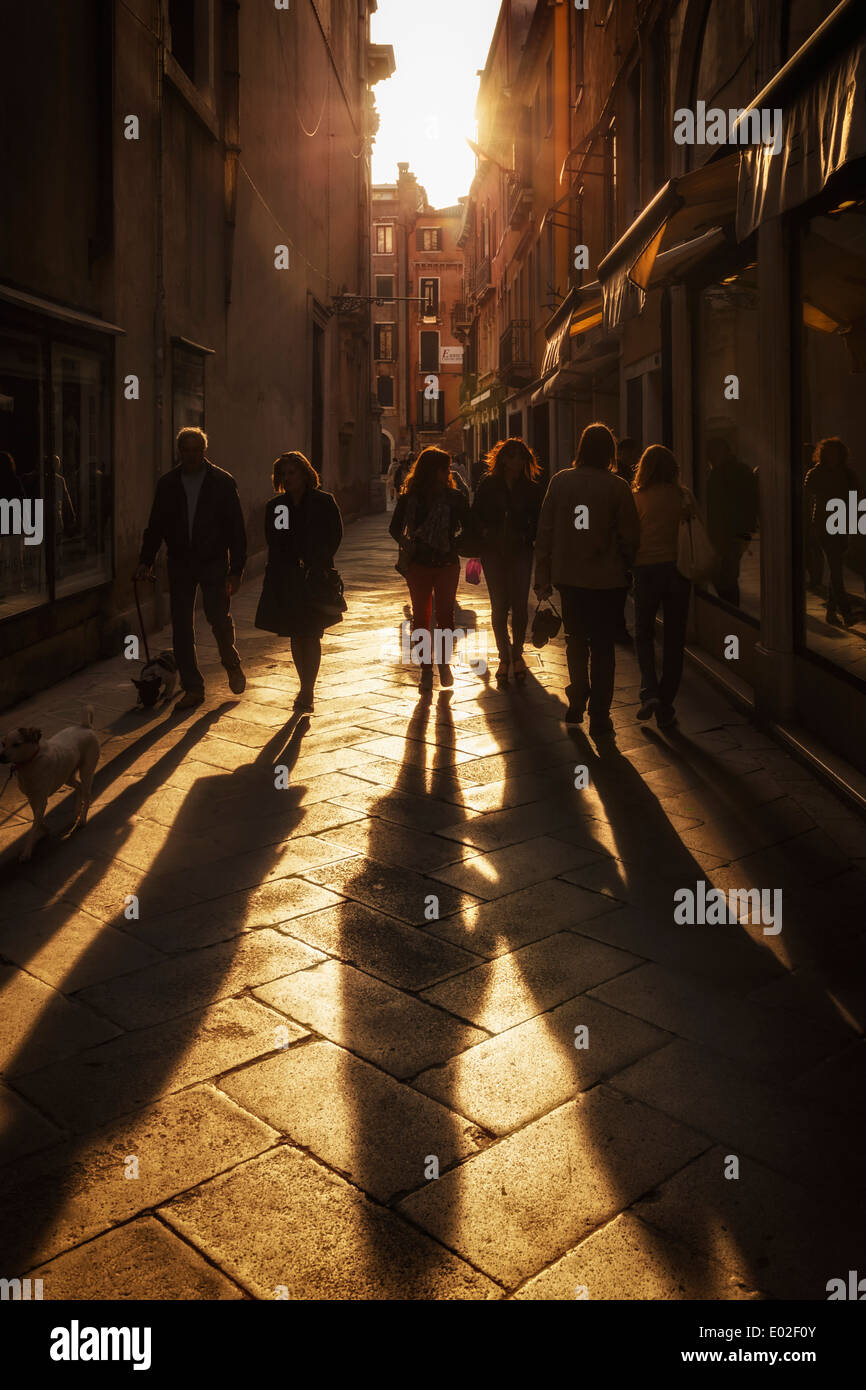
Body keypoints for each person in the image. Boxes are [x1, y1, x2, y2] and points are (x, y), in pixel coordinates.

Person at [534, 422, 640, 738]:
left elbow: (545, 531)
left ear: (580, 448)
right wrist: (627, 565)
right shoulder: (618, 486)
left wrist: (543, 574)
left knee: (576, 640)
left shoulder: (561, 482)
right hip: (609, 580)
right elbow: (631, 536)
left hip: (570, 577)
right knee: (604, 646)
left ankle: (578, 695)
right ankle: (601, 715)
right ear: (610, 452)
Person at [134, 426, 247, 709]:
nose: (192, 456)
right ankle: (193, 687)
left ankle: (230, 661)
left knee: (218, 617)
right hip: (180, 562)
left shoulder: (222, 482)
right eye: (186, 450)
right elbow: (156, 524)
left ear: (204, 451)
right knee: (181, 627)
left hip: (213, 561)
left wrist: (236, 570)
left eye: (197, 450)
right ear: (180, 452)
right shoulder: (168, 484)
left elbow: (236, 529)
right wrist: (145, 560)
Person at [254, 451, 343, 713]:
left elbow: (334, 536)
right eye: (283, 474)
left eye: (292, 472)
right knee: (296, 633)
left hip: (315, 577)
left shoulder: (323, 502)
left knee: (312, 633)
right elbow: (278, 539)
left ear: (304, 473)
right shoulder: (278, 507)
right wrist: (291, 562)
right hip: (289, 577)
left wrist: (316, 560)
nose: (288, 478)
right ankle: (305, 686)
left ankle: (307, 690)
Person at [389, 445, 471, 691]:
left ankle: (444, 664)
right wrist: (407, 542)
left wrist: (454, 542)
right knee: (421, 617)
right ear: (432, 470)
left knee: (446, 615)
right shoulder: (410, 498)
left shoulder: (454, 497)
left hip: (447, 562)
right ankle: (426, 667)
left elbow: (469, 525)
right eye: (444, 468)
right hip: (418, 563)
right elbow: (394, 527)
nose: (448, 472)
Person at [631, 444, 696, 729]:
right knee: (674, 639)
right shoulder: (683, 497)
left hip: (646, 570)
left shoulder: (638, 498)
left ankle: (649, 691)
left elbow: (629, 536)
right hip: (679, 571)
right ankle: (665, 702)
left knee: (643, 632)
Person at [471, 437, 543, 684]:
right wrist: (484, 531)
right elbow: (475, 514)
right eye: (511, 455)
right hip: (492, 552)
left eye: (521, 456)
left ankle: (518, 654)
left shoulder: (532, 489)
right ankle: (504, 656)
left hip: (520, 551)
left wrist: (527, 535)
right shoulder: (489, 485)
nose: (516, 460)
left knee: (520, 606)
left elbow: (539, 520)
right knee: (499, 606)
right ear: (502, 458)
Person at [804, 437, 859, 628]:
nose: (833, 456)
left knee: (836, 568)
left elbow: (856, 499)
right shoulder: (815, 473)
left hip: (841, 524)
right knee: (836, 569)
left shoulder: (848, 474)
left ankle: (830, 613)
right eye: (829, 453)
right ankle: (846, 613)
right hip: (823, 526)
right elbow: (808, 499)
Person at [705, 437, 758, 607]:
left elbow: (718, 508)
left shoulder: (721, 473)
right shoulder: (741, 470)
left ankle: (731, 611)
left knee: (724, 576)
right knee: (727, 574)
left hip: (726, 533)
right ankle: (731, 610)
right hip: (738, 532)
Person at [612, 436, 640, 642]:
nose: (633, 456)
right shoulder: (621, 474)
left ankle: (616, 625)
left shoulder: (622, 471)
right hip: (619, 537)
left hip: (618, 536)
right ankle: (618, 627)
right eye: (629, 453)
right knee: (619, 586)